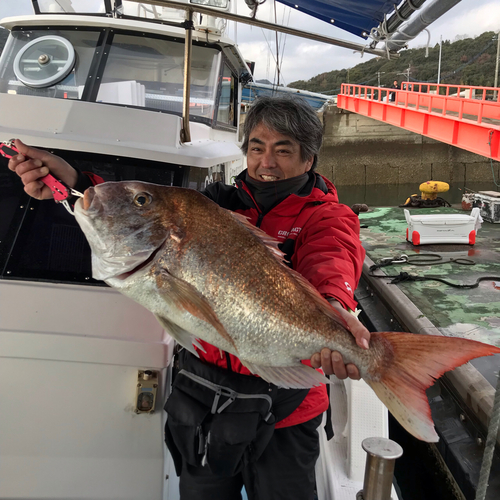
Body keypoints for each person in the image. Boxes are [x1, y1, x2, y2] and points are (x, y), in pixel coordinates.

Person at [9, 96, 370, 500]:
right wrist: (71, 181)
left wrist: (335, 309)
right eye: (256, 148)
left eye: (282, 150)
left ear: (309, 160)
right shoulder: (212, 204)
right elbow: (143, 209)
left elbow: (331, 261)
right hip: (205, 402)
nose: (266, 162)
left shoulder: (327, 216)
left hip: (287, 410)